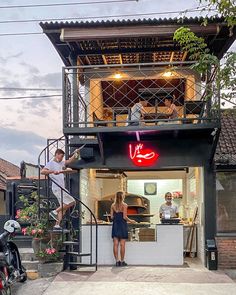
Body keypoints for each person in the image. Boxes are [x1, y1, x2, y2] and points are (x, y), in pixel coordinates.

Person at [41, 148, 80, 231]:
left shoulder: (61, 163)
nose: (62, 158)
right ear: (56, 154)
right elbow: (42, 171)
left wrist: (76, 153)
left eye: (63, 157)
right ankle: (54, 212)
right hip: (57, 188)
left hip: (61, 188)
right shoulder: (51, 163)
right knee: (72, 202)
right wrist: (52, 172)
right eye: (61, 156)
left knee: (64, 208)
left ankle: (57, 225)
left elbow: (70, 161)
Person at [110, 191, 136, 266]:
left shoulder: (112, 205)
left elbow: (111, 217)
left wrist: (116, 215)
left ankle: (117, 261)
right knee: (122, 244)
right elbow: (124, 217)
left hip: (115, 225)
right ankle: (122, 261)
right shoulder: (124, 205)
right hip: (122, 225)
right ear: (122, 197)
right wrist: (131, 221)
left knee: (115, 244)